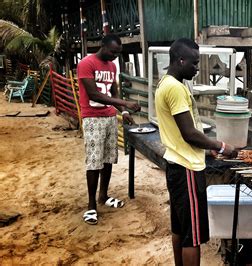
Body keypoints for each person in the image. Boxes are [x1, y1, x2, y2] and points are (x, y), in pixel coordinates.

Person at [155, 38, 238, 265]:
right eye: (194, 63)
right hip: (187, 169)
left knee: (180, 228)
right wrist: (220, 146)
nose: (197, 68)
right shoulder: (175, 88)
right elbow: (189, 133)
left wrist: (206, 149)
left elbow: (186, 132)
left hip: (176, 165)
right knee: (193, 236)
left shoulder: (166, 83)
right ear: (180, 60)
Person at [77, 34, 140, 225]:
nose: (115, 56)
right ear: (103, 46)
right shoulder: (86, 64)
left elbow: (113, 92)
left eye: (118, 53)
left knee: (108, 159)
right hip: (93, 118)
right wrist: (124, 102)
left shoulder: (112, 67)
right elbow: (94, 94)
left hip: (110, 117)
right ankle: (91, 206)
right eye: (113, 51)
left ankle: (103, 196)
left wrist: (123, 111)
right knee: (94, 162)